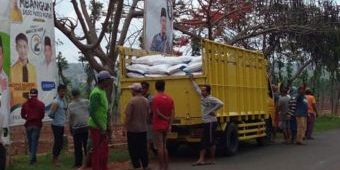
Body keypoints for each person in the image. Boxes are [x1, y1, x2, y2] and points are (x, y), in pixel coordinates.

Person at [189, 75, 224, 166]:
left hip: (211, 122)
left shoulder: (211, 99)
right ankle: (201, 159)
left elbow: (221, 103)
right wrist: (192, 80)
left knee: (211, 141)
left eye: (204, 90)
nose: (202, 91)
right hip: (206, 123)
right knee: (204, 140)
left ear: (208, 92)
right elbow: (196, 88)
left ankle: (212, 159)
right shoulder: (202, 97)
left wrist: (212, 111)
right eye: (202, 90)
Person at [88, 70, 113, 170]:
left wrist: (107, 125)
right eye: (109, 80)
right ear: (104, 80)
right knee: (97, 151)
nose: (110, 82)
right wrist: (100, 128)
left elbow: (105, 110)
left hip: (102, 126)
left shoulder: (102, 91)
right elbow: (92, 113)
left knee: (104, 150)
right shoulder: (96, 94)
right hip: (96, 127)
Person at [124, 83, 151, 170]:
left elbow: (128, 116)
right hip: (143, 129)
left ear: (134, 91)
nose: (131, 91)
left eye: (131, 89)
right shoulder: (146, 101)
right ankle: (145, 165)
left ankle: (137, 166)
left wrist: (125, 128)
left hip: (133, 130)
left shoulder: (131, 101)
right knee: (143, 149)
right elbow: (148, 114)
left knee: (133, 149)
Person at [152, 80, 175, 170]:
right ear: (164, 87)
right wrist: (170, 124)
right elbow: (173, 113)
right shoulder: (170, 98)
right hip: (166, 125)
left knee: (159, 147)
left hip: (158, 125)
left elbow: (156, 112)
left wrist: (165, 118)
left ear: (156, 87)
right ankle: (166, 166)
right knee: (165, 146)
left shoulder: (155, 98)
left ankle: (161, 166)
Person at [10, 33, 37, 107]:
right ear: (16, 48)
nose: (22, 51)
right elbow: (11, 95)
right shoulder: (11, 70)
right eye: (20, 47)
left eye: (24, 47)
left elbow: (35, 92)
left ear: (28, 48)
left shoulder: (33, 69)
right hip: (17, 111)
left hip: (31, 109)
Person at [20, 88, 45, 164]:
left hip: (28, 125)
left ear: (30, 94)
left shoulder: (25, 104)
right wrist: (37, 118)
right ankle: (32, 159)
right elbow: (42, 115)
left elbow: (22, 115)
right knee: (34, 142)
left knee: (31, 142)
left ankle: (33, 159)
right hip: (37, 125)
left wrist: (27, 118)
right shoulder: (41, 104)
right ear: (37, 95)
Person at [67, 88, 89, 168]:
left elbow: (69, 119)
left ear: (72, 95)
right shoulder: (86, 102)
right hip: (87, 127)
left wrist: (70, 128)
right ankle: (89, 161)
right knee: (87, 146)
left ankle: (78, 163)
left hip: (76, 128)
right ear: (79, 93)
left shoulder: (70, 105)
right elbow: (90, 113)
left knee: (77, 147)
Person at [48, 84, 67, 166]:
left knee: (60, 142)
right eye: (61, 91)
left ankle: (57, 158)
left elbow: (65, 109)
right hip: (56, 125)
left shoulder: (63, 100)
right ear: (58, 92)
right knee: (58, 142)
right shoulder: (56, 101)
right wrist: (55, 114)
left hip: (61, 124)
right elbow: (50, 114)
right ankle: (54, 160)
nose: (63, 93)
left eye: (64, 91)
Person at [38, 36, 57, 105]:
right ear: (43, 52)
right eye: (45, 50)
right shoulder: (40, 66)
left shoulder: (53, 65)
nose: (47, 53)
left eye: (49, 50)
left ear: (52, 51)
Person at [141, 81, 157, 155]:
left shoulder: (150, 98)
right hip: (142, 122)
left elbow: (151, 110)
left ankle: (146, 156)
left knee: (148, 140)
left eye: (143, 88)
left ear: (147, 89)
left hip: (148, 121)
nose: (142, 90)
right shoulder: (140, 97)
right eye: (141, 88)